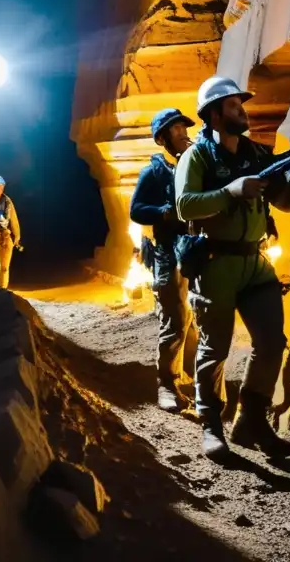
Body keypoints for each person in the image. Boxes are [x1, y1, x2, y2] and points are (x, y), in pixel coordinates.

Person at [175, 76, 290, 462]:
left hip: (255, 262)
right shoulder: (198, 157)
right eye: (233, 104)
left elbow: (286, 203)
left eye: (241, 103)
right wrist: (231, 191)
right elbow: (185, 206)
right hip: (215, 263)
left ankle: (251, 421)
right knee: (216, 348)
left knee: (272, 343)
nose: (242, 108)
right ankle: (211, 426)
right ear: (213, 114)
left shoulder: (256, 155)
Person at [129, 107, 198, 414]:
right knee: (175, 319)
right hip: (169, 254)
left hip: (197, 251)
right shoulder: (154, 173)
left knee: (196, 319)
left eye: (184, 127)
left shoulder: (195, 164)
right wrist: (163, 212)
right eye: (176, 129)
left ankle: (192, 380)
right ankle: (166, 384)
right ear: (162, 138)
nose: (184, 132)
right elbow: (136, 210)